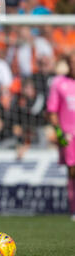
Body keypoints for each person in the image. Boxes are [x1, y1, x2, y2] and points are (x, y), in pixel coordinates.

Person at [47, 51, 75, 222]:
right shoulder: (59, 83)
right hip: (69, 136)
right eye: (71, 61)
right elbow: (52, 112)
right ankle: (74, 209)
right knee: (73, 171)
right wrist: (59, 134)